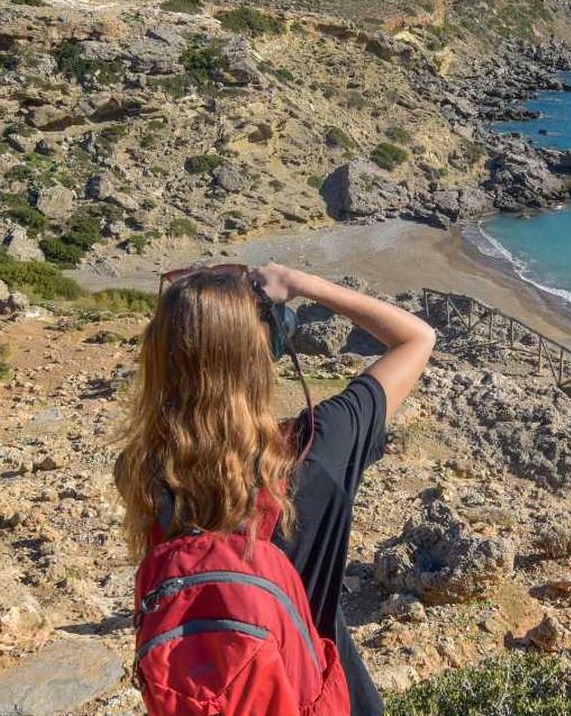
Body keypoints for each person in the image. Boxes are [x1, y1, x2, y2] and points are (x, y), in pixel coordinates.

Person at [115, 263, 435, 716]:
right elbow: (417, 338)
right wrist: (300, 282)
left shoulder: (140, 470)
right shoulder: (316, 451)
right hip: (318, 696)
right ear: (263, 353)